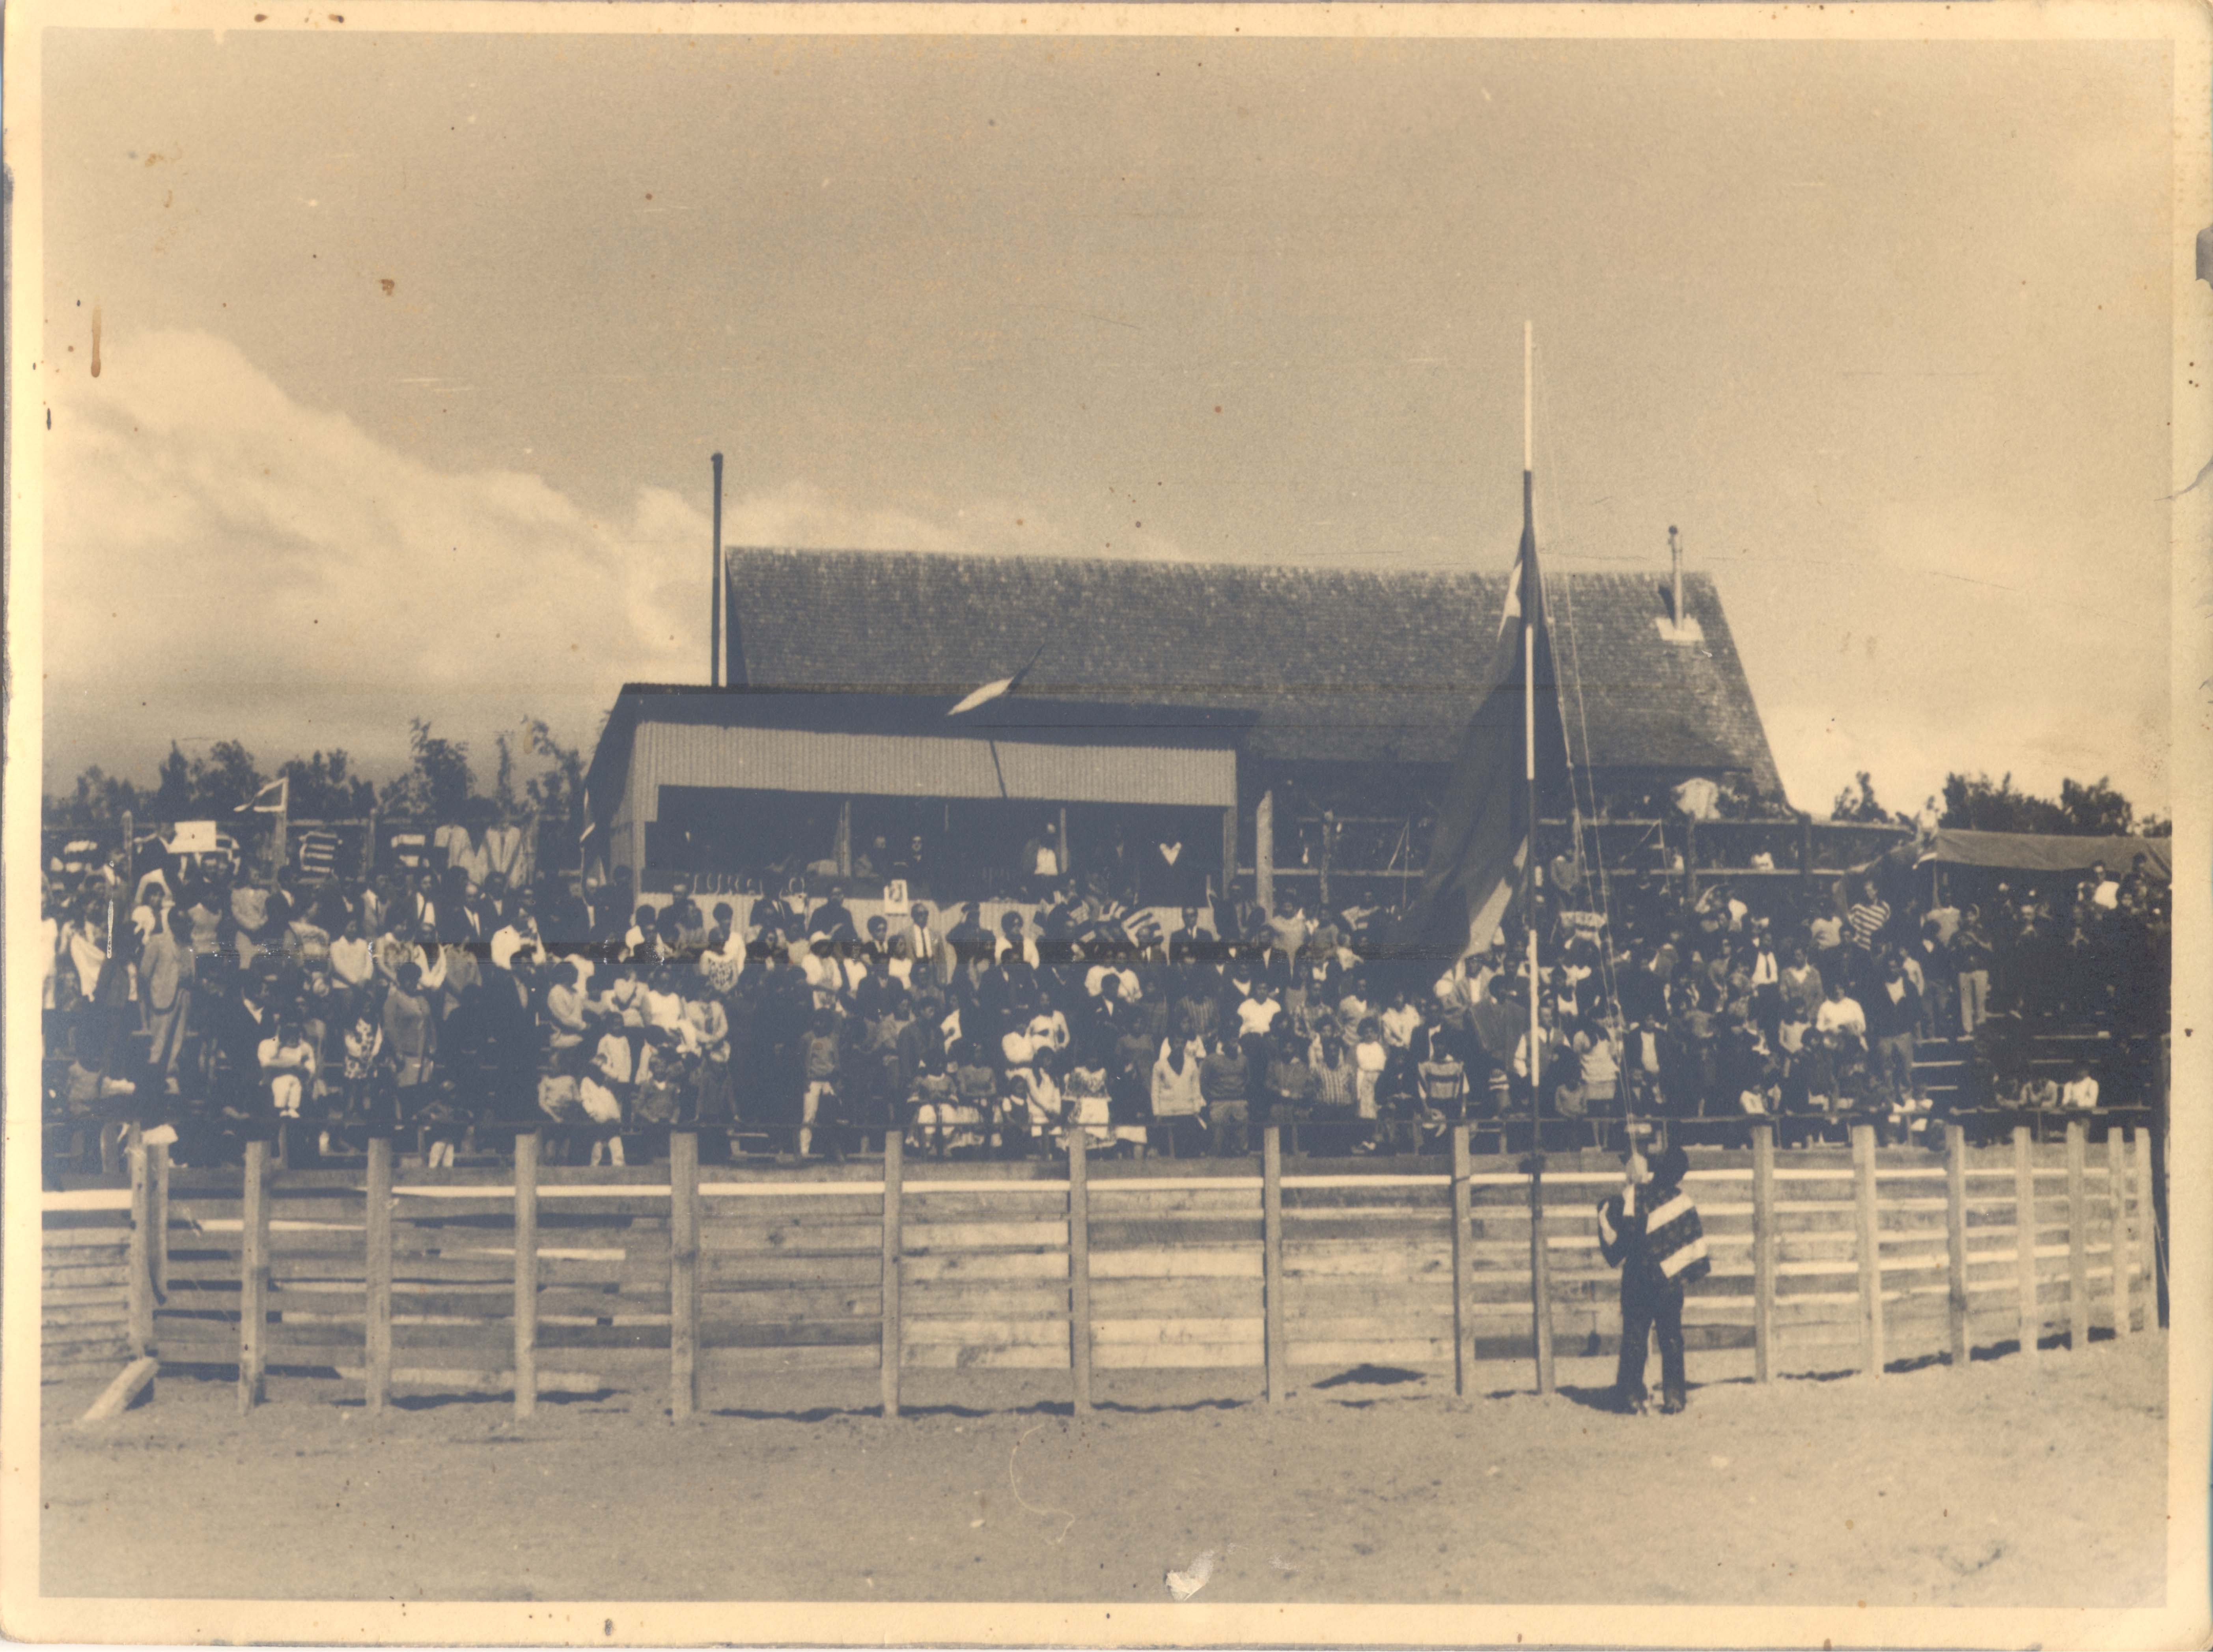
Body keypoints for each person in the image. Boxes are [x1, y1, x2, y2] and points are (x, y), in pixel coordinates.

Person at [1596, 1141, 1709, 1415]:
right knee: (1672, 1339)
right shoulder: (1683, 1202)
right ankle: (1674, 1397)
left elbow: (1620, 1231)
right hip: (1669, 1284)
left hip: (1636, 1279)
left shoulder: (1635, 1194)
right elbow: (1693, 1248)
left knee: (1634, 1337)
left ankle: (1632, 1396)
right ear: (1680, 1174)